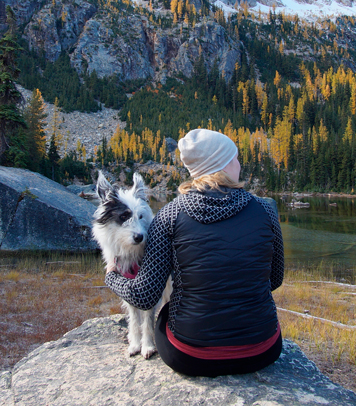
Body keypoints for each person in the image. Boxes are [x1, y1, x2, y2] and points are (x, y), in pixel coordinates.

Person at [105, 128, 285, 377]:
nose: (239, 163)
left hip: (191, 357)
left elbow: (145, 297)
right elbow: (274, 280)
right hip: (263, 349)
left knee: (167, 315)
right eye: (234, 158)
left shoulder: (168, 216)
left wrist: (112, 275)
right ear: (220, 165)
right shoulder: (266, 209)